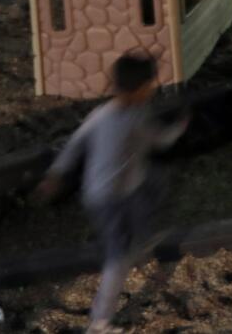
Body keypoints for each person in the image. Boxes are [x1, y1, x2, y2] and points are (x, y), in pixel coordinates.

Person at [34, 51, 189, 334]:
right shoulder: (118, 118)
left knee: (154, 185)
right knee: (117, 259)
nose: (152, 90)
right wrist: (178, 128)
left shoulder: (120, 114)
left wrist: (55, 173)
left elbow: (76, 144)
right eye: (149, 85)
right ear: (139, 88)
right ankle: (100, 322)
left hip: (129, 188)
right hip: (105, 198)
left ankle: (142, 241)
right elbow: (157, 141)